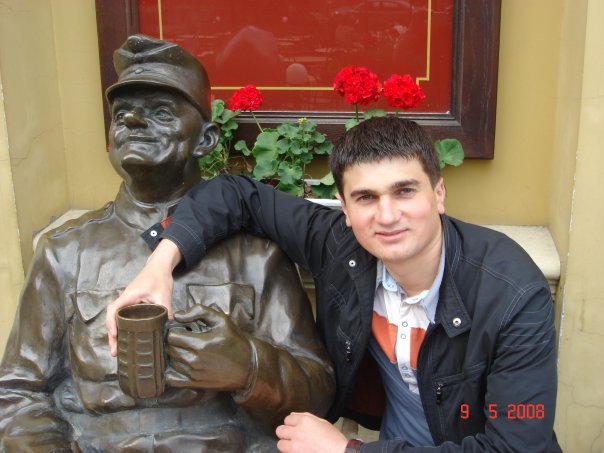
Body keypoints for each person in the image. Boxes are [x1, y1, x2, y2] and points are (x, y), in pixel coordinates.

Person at [107, 116, 562, 452]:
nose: (387, 215)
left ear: (438, 193)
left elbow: (517, 447)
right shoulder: (340, 244)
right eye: (366, 197)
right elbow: (236, 194)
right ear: (344, 208)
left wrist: (348, 451)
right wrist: (160, 264)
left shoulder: (513, 293)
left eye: (405, 191)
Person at [0, 34, 334, 452]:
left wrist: (250, 366)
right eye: (121, 113)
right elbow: (18, 394)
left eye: (160, 112)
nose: (132, 121)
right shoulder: (64, 252)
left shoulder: (257, 256)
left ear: (206, 139)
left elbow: (317, 394)